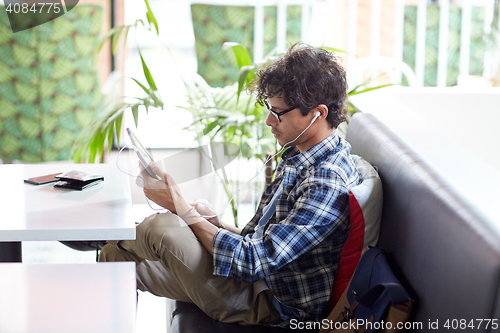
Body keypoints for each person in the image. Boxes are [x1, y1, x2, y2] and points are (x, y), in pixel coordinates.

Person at [99, 43, 361, 326]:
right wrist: (215, 224)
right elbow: (259, 242)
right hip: (255, 281)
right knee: (113, 257)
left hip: (270, 303)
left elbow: (252, 261)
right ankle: (109, 241)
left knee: (162, 228)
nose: (269, 120)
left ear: (318, 114)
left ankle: (104, 233)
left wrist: (183, 209)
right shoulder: (299, 155)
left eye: (279, 112)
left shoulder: (326, 181)